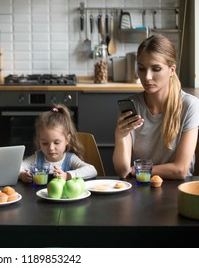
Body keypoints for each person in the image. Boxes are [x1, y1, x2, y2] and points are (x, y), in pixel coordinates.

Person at [113, 34, 199, 180]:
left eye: (156, 69)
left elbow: (180, 170)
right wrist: (120, 136)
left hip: (176, 190)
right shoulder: (132, 105)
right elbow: (122, 171)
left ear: (172, 70)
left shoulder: (189, 105)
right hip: (140, 188)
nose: (147, 77)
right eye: (141, 68)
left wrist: (137, 170)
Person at [19, 104, 97, 183]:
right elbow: (16, 168)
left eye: (56, 142)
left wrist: (67, 175)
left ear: (67, 139)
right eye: (45, 143)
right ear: (39, 141)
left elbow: (92, 170)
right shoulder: (37, 158)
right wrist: (22, 174)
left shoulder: (70, 159)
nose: (51, 148)